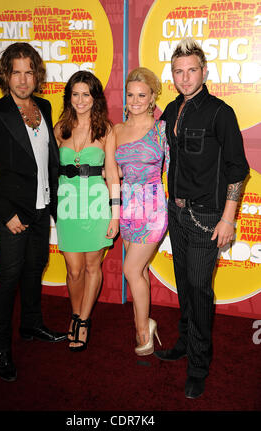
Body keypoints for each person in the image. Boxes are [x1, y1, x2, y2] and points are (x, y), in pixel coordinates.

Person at [155, 38, 249, 398]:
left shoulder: (219, 112)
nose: (185, 77)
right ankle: (183, 342)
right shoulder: (171, 108)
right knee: (185, 285)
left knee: (199, 290)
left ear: (204, 71)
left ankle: (198, 364)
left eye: (191, 70)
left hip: (206, 216)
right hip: (175, 213)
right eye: (178, 71)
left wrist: (228, 218)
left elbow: (237, 169)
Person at [0, 42, 67, 382]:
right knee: (8, 277)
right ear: (5, 75)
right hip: (13, 213)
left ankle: (31, 325)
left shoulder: (44, 106)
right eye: (16, 72)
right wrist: (4, 212)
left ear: (36, 74)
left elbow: (46, 159)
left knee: (34, 268)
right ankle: (0, 347)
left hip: (42, 208)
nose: (23, 79)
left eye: (29, 71)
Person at [54, 71, 120, 352]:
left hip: (95, 205)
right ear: (69, 97)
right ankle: (75, 311)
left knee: (93, 266)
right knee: (73, 269)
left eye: (86, 94)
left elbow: (114, 176)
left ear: (95, 98)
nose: (81, 100)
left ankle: (82, 320)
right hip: (67, 206)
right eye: (75, 94)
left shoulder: (106, 130)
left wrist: (115, 214)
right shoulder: (60, 129)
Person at [114, 67, 169, 356]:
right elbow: (113, 174)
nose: (135, 100)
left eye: (142, 95)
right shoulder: (117, 130)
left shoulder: (161, 129)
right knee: (142, 270)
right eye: (131, 94)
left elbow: (172, 171)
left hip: (153, 208)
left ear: (151, 99)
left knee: (130, 269)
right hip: (127, 208)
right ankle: (146, 320)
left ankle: (142, 332)